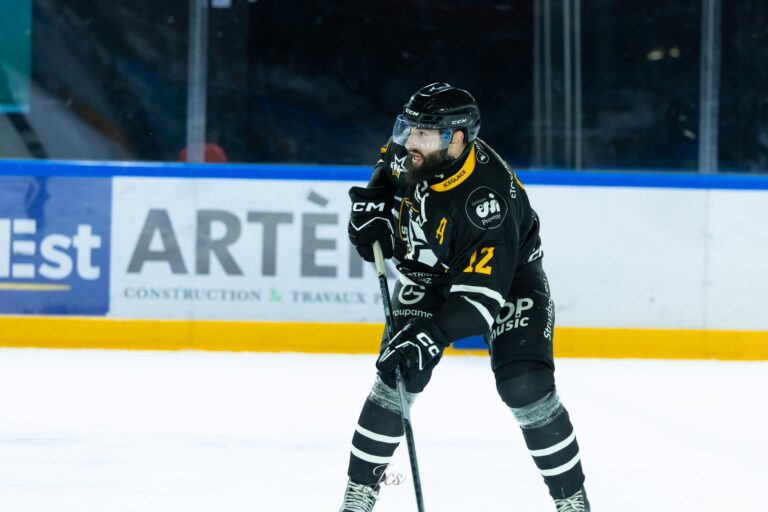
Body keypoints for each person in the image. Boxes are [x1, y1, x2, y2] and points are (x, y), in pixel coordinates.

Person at [339, 83, 590, 512]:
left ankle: (572, 500)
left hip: (507, 282)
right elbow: (386, 175)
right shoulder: (415, 151)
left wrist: (432, 333)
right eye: (409, 130)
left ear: (456, 139)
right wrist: (373, 210)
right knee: (398, 376)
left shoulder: (484, 201)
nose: (409, 142)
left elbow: (479, 304)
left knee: (524, 384)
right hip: (430, 273)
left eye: (423, 133)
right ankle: (358, 496)